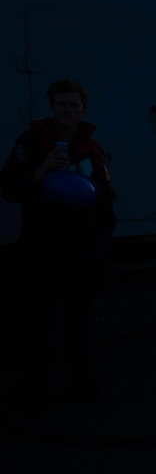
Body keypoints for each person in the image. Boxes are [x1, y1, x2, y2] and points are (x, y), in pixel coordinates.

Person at [0, 79, 116, 406]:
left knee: (78, 319)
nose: (67, 110)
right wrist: (41, 172)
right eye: (61, 104)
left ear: (83, 109)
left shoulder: (92, 148)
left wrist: (101, 237)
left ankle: (80, 380)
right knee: (38, 319)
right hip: (42, 247)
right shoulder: (32, 142)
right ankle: (33, 387)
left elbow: (106, 193)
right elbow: (9, 188)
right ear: (52, 107)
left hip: (81, 247)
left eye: (73, 105)